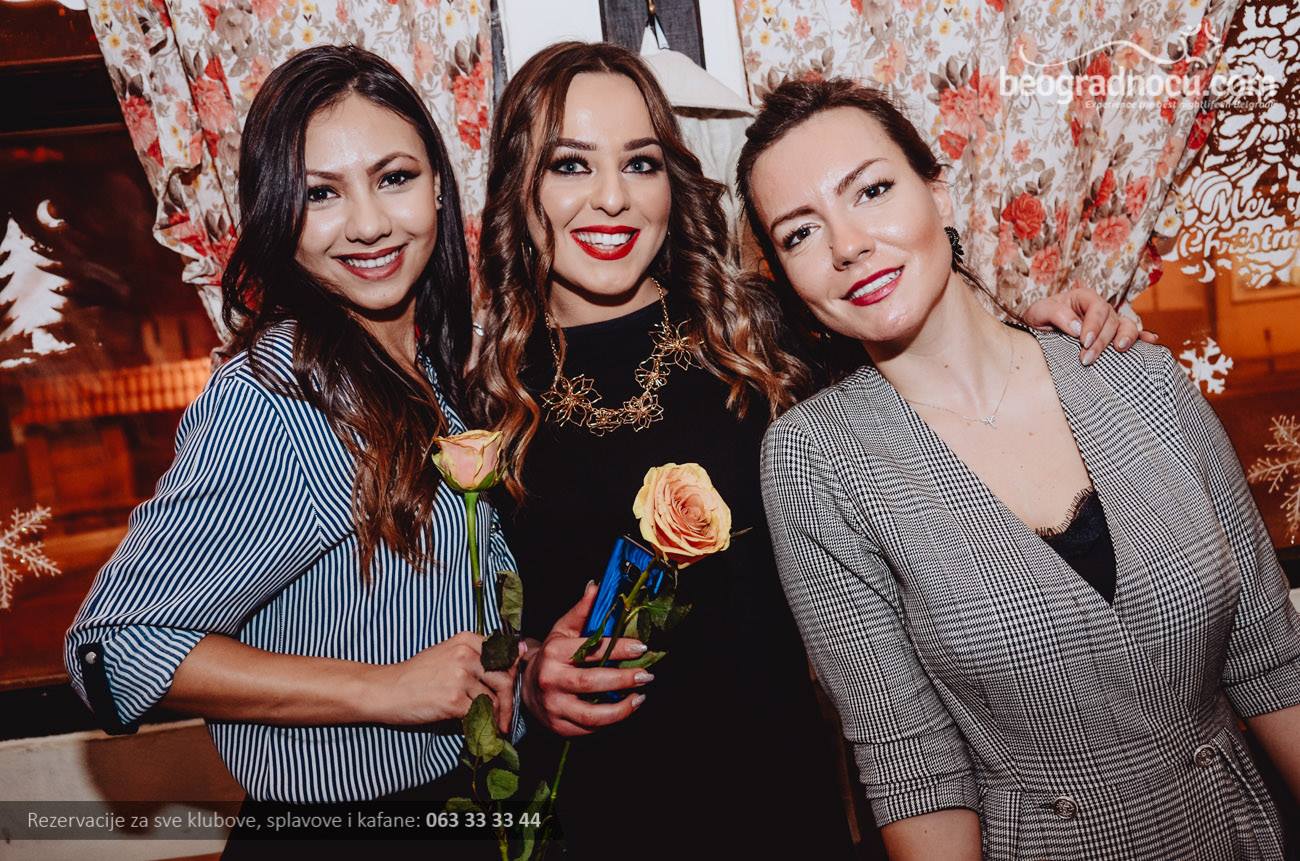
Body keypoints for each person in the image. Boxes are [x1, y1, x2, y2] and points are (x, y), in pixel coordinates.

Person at [466, 41, 1146, 859]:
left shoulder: (762, 332)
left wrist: (1038, 329)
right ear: (520, 184)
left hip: (793, 807)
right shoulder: (481, 403)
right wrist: (529, 681)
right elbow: (472, 643)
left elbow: (932, 348)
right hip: (601, 818)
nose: (613, 197)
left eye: (640, 163)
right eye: (570, 165)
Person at [743, 77, 1300, 860]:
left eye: (872, 190)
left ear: (938, 192)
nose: (847, 245)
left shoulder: (1134, 375)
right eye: (801, 232)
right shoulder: (817, 460)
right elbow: (914, 771)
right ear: (785, 276)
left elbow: (1271, 656)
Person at [64, 45, 521, 858]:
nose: (369, 224)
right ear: (279, 215)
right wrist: (385, 689)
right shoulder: (275, 397)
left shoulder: (432, 364)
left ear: (439, 186)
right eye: (321, 193)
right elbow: (116, 649)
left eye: (393, 177)